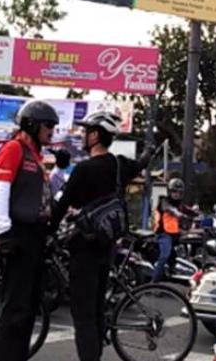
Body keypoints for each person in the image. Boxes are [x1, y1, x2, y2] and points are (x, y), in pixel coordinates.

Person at [51, 110, 154, 361]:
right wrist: (149, 152)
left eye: (86, 132)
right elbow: (140, 164)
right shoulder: (120, 165)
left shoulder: (84, 169)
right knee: (97, 311)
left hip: (83, 247)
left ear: (95, 135)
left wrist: (46, 231)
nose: (83, 137)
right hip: (107, 247)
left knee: (83, 315)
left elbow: (62, 206)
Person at [0, 99, 58, 361]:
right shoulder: (14, 149)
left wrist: (59, 168)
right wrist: (4, 231)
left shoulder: (36, 155)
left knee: (29, 307)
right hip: (18, 234)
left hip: (36, 236)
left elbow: (43, 195)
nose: (52, 131)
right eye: (48, 125)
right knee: (15, 307)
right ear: (31, 124)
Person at [152, 178, 198, 282]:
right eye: (174, 191)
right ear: (169, 191)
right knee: (164, 256)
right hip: (164, 234)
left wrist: (199, 214)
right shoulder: (164, 201)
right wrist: (179, 214)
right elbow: (170, 209)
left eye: (179, 192)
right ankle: (154, 283)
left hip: (175, 235)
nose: (176, 194)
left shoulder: (180, 205)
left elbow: (188, 210)